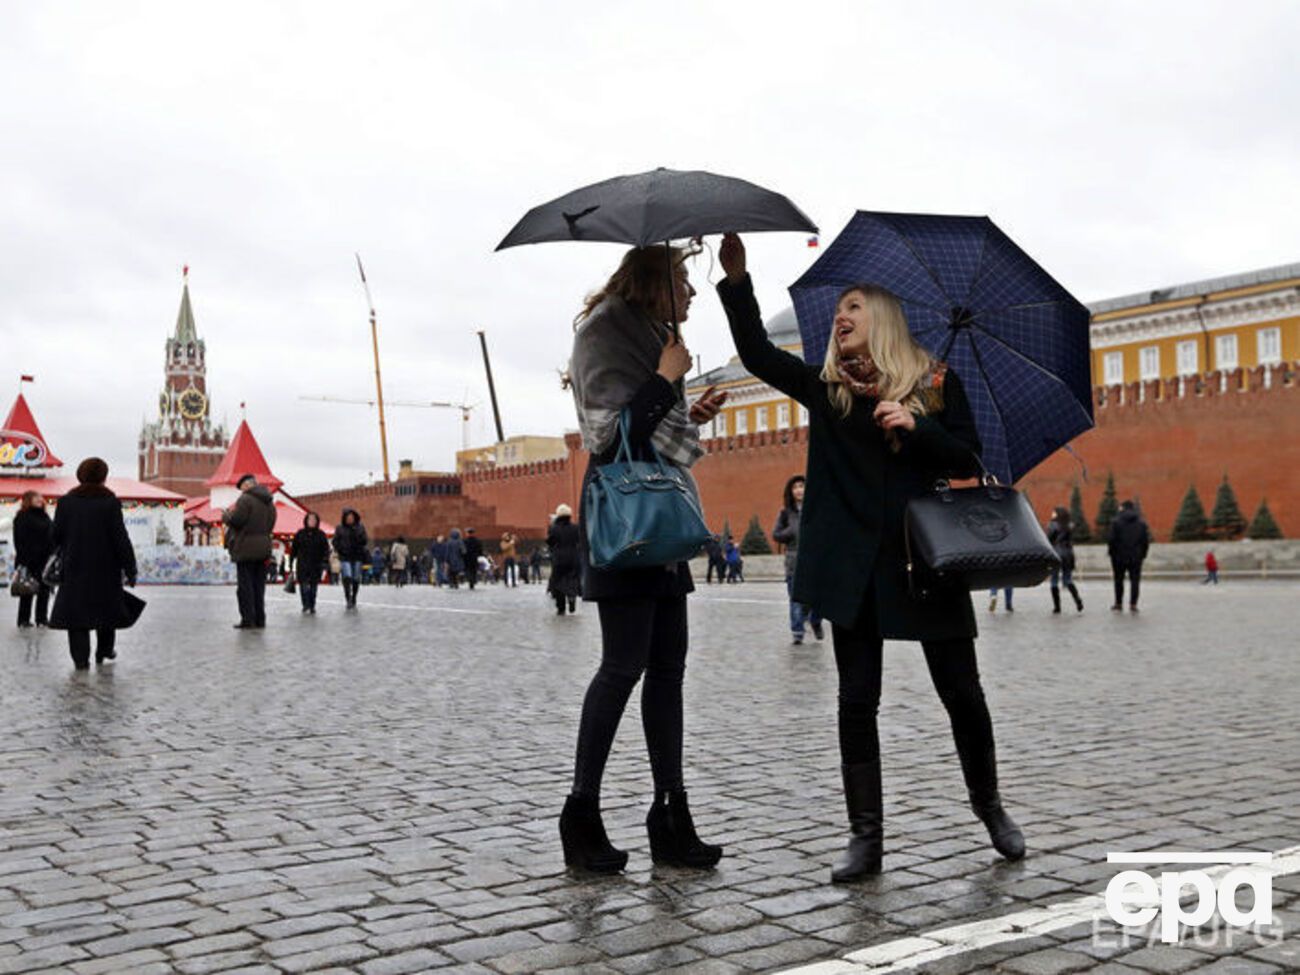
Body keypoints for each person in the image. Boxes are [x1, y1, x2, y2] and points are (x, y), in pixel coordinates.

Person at [717, 232, 1024, 883]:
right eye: (839, 311)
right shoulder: (827, 389)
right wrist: (738, 282)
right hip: (855, 568)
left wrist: (918, 426)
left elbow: (968, 456)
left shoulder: (936, 383)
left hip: (924, 561)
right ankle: (866, 837)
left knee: (962, 692)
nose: (842, 317)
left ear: (881, 316)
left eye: (854, 306)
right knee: (857, 700)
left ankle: (990, 805)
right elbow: (756, 352)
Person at [559, 242, 727, 875]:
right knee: (621, 667)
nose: (691, 292)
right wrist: (664, 377)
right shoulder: (604, 333)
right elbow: (607, 435)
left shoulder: (654, 333)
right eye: (684, 278)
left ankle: (671, 816)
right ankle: (581, 815)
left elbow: (653, 427)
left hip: (661, 518)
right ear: (654, 280)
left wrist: (685, 402)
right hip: (624, 517)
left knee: (668, 670)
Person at [48, 458, 138, 669]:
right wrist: (130, 568)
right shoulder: (110, 502)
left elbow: (55, 536)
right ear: (103, 477)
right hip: (105, 568)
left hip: (74, 565)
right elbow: (120, 538)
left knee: (77, 616)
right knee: (106, 611)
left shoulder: (66, 503)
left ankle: (80, 659)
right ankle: (104, 650)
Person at [222, 473, 277, 629]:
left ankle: (248, 619)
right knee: (259, 586)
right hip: (264, 546)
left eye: (242, 487)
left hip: (246, 547)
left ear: (247, 485)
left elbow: (237, 521)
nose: (242, 490)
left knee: (245, 586)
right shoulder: (269, 501)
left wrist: (226, 517)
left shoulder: (245, 499)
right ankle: (260, 619)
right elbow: (271, 523)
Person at [773, 476, 823, 645]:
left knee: (818, 598)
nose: (799, 490)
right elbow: (776, 534)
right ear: (791, 492)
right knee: (795, 599)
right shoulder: (785, 513)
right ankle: (797, 631)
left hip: (815, 561)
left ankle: (815, 621)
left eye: (802, 486)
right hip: (794, 562)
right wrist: (791, 531)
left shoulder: (816, 510)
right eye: (795, 487)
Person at [13, 490, 54, 628]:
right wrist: (24, 559)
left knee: (45, 590)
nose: (39, 499)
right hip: (29, 559)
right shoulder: (22, 517)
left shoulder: (45, 516)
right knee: (27, 589)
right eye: (35, 497)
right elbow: (19, 540)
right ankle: (23, 619)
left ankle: (41, 618)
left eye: (40, 496)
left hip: (45, 559)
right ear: (28, 500)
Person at [1107, 500, 1150, 613]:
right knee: (1135, 581)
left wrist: (1111, 553)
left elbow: (1111, 540)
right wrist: (1143, 554)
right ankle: (1133, 604)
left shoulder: (1115, 522)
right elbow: (1145, 541)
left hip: (1118, 557)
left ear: (1123, 508)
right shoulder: (1141, 523)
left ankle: (1118, 603)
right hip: (1136, 556)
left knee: (1118, 580)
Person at [291, 512, 330, 615]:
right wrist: (291, 562)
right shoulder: (300, 534)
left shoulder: (321, 535)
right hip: (302, 564)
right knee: (303, 586)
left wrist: (325, 562)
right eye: (310, 519)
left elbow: (326, 550)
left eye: (314, 520)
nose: (312, 522)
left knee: (313, 588)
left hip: (316, 565)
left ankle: (312, 605)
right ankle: (305, 605)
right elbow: (294, 549)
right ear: (306, 521)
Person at [1047, 507, 1084, 613]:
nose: (1052, 513)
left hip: (1056, 554)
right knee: (1068, 579)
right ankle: (1078, 600)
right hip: (1068, 553)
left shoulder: (1053, 525)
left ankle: (1057, 607)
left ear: (1057, 514)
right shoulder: (1069, 525)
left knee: (1054, 580)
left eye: (1053, 512)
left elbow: (1048, 539)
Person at [546, 504, 581, 616]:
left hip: (559, 558)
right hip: (573, 557)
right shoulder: (575, 528)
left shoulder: (553, 528)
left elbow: (550, 542)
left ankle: (561, 607)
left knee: (558, 581)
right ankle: (571, 597)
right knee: (572, 579)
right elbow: (579, 541)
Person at [333, 508, 368, 607]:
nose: (350, 519)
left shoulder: (360, 527)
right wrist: (340, 548)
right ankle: (348, 597)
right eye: (348, 517)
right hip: (345, 557)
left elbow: (365, 540)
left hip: (357, 556)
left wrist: (358, 536)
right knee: (347, 577)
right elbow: (335, 541)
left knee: (356, 578)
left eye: (351, 517)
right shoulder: (340, 528)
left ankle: (354, 597)